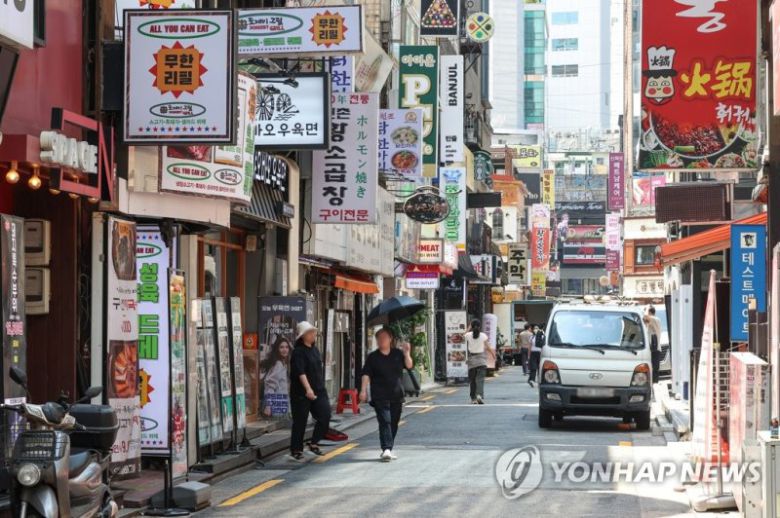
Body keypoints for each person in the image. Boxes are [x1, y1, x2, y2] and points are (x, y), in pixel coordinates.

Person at [359, 327, 413, 462]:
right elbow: (366, 374)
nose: (381, 340)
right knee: (385, 421)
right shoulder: (373, 357)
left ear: (390, 339)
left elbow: (409, 366)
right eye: (379, 338)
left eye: (384, 337)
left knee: (393, 422)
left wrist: (407, 353)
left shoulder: (397, 354)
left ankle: (388, 448)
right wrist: (363, 390)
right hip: (380, 395)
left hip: (396, 394)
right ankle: (386, 448)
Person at [289, 321, 331, 461]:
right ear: (303, 335)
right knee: (300, 421)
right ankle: (296, 449)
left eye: (314, 332)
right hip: (301, 393)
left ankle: (313, 443)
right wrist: (308, 389)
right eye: (311, 332)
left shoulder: (315, 349)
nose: (314, 334)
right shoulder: (298, 352)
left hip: (319, 389)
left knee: (325, 415)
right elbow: (301, 372)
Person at [260, 336, 291, 417]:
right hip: (277, 406)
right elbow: (270, 386)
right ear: (277, 349)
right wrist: (268, 406)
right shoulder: (278, 365)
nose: (285, 349)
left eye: (286, 347)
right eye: (281, 347)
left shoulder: (283, 364)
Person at [465, 319, 492, 404]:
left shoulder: (468, 335)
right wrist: (493, 355)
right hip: (481, 360)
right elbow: (487, 347)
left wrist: (469, 327)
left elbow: (463, 335)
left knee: (472, 380)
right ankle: (479, 395)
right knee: (480, 379)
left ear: (472, 327)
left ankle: (473, 399)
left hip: (472, 360)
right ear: (480, 327)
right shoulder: (483, 335)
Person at [645, 307, 662, 383]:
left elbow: (645, 318)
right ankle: (654, 382)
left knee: (653, 368)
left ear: (650, 312)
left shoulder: (653, 319)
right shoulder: (655, 320)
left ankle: (654, 383)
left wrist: (645, 311)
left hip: (653, 348)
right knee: (655, 368)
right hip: (656, 348)